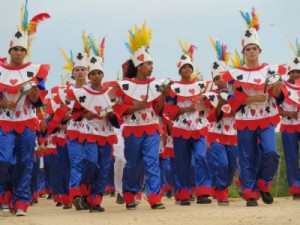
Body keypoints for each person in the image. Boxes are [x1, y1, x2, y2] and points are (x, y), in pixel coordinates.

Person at [222, 8, 286, 206]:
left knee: (270, 152)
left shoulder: (270, 70)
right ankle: (250, 192)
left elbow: (279, 96)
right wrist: (248, 100)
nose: (251, 52)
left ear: (260, 51)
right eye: (248, 49)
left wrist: (275, 91)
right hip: (245, 119)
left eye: (254, 48)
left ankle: (263, 183)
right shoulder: (235, 75)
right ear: (243, 52)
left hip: (266, 118)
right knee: (247, 156)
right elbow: (231, 101)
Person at [0, 1, 50, 216]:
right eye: (15, 49)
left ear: (26, 51)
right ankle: (4, 195)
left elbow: (39, 101)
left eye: (22, 49)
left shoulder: (35, 71)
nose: (19, 53)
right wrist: (3, 103)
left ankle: (21, 201)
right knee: (4, 159)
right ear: (10, 49)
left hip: (27, 122)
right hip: (4, 121)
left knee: (24, 161)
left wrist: (33, 93)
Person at [114, 21, 166, 210]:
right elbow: (119, 110)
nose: (151, 67)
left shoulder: (155, 84)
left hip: (151, 128)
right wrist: (135, 107)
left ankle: (154, 197)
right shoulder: (125, 86)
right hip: (132, 130)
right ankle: (130, 194)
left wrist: (163, 94)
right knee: (133, 164)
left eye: (152, 63)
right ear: (138, 66)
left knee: (152, 161)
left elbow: (159, 109)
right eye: (147, 64)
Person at [162, 40, 211, 206]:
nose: (187, 70)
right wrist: (185, 109)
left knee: (201, 157)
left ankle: (203, 192)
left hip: (198, 127)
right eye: (184, 67)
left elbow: (208, 105)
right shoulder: (173, 87)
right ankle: (183, 193)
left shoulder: (201, 86)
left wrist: (202, 106)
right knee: (181, 162)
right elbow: (168, 110)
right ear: (179, 70)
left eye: (189, 67)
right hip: (181, 128)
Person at [205, 37, 238, 206]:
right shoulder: (210, 95)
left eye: (222, 77)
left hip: (232, 134)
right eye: (216, 78)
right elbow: (210, 117)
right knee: (222, 163)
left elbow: (239, 112)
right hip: (216, 134)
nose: (220, 80)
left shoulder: (236, 93)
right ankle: (221, 192)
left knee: (231, 166)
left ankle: (221, 186)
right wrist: (220, 102)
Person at [279, 39, 300, 200]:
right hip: (287, 125)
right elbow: (276, 106)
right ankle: (295, 188)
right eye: (293, 72)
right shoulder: (282, 87)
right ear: (289, 73)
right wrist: (287, 114)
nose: (296, 74)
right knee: (291, 156)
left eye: (298, 72)